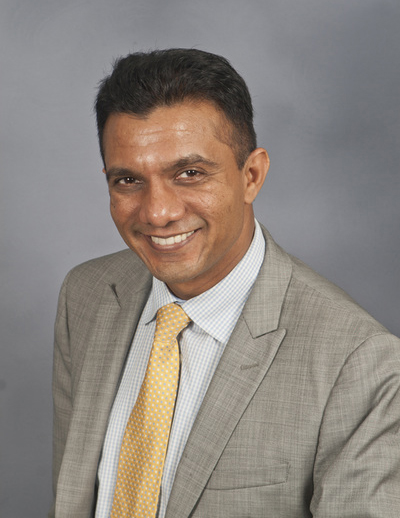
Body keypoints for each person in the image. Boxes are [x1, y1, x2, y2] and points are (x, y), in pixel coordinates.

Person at [49, 48, 400, 518]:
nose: (158, 212)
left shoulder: (359, 364)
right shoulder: (86, 296)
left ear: (251, 175)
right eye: (128, 180)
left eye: (189, 174)